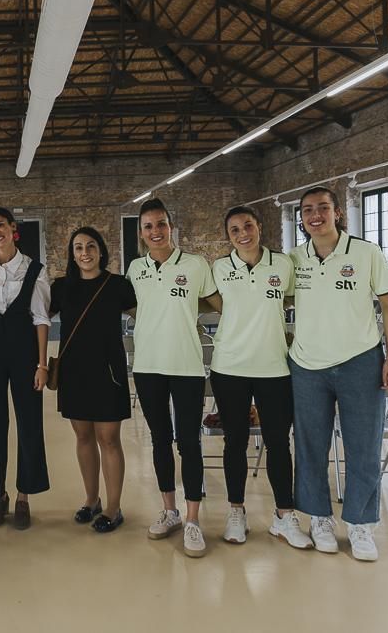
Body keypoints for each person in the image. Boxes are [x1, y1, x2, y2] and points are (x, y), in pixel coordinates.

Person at [289, 186, 388, 561]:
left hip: (360, 362)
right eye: (307, 210)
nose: (315, 215)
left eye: (323, 208)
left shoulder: (366, 253)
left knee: (363, 446)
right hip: (307, 365)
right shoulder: (295, 259)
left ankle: (360, 523)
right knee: (310, 447)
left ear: (337, 212)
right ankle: (319, 518)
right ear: (301, 218)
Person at [205, 207, 313, 549]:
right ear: (228, 236)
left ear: (259, 227)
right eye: (234, 229)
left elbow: (299, 298)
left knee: (279, 443)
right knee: (234, 442)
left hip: (274, 369)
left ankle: (284, 516)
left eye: (247, 226)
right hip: (230, 367)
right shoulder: (219, 268)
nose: (242, 233)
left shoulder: (283, 264)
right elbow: (216, 304)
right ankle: (236, 512)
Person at [126, 198, 217, 558]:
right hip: (147, 366)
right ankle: (170, 510)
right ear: (141, 233)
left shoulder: (196, 265)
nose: (155, 231)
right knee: (160, 441)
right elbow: (136, 306)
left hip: (187, 367)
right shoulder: (136, 269)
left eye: (161, 224)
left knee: (188, 443)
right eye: (148, 226)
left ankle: (194, 520)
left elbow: (215, 303)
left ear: (171, 226)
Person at [49, 227, 136, 532]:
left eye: (90, 246)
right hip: (74, 372)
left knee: (108, 439)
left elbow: (148, 317)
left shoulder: (118, 285)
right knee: (83, 437)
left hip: (108, 372)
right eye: (78, 248)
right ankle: (91, 500)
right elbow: (35, 316)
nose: (85, 253)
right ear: (72, 255)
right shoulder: (61, 287)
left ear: (101, 250)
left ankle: (113, 508)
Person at [0, 207, 50, 530]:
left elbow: (42, 319)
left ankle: (23, 497)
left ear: (13, 228)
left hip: (24, 352)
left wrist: (42, 364)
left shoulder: (35, 270)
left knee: (29, 422)